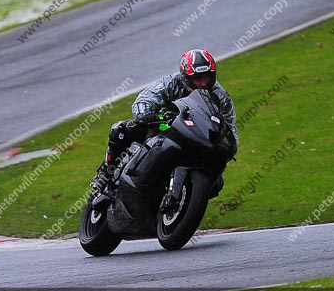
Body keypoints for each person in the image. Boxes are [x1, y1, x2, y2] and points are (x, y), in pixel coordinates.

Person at [91, 49, 239, 198]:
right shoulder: (170, 83)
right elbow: (146, 98)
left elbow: (229, 127)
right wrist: (145, 115)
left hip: (196, 137)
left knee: (216, 183)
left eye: (207, 78)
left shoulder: (221, 97)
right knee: (122, 130)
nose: (202, 84)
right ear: (185, 77)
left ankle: (184, 201)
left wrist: (227, 145)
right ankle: (105, 172)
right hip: (165, 126)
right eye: (197, 78)